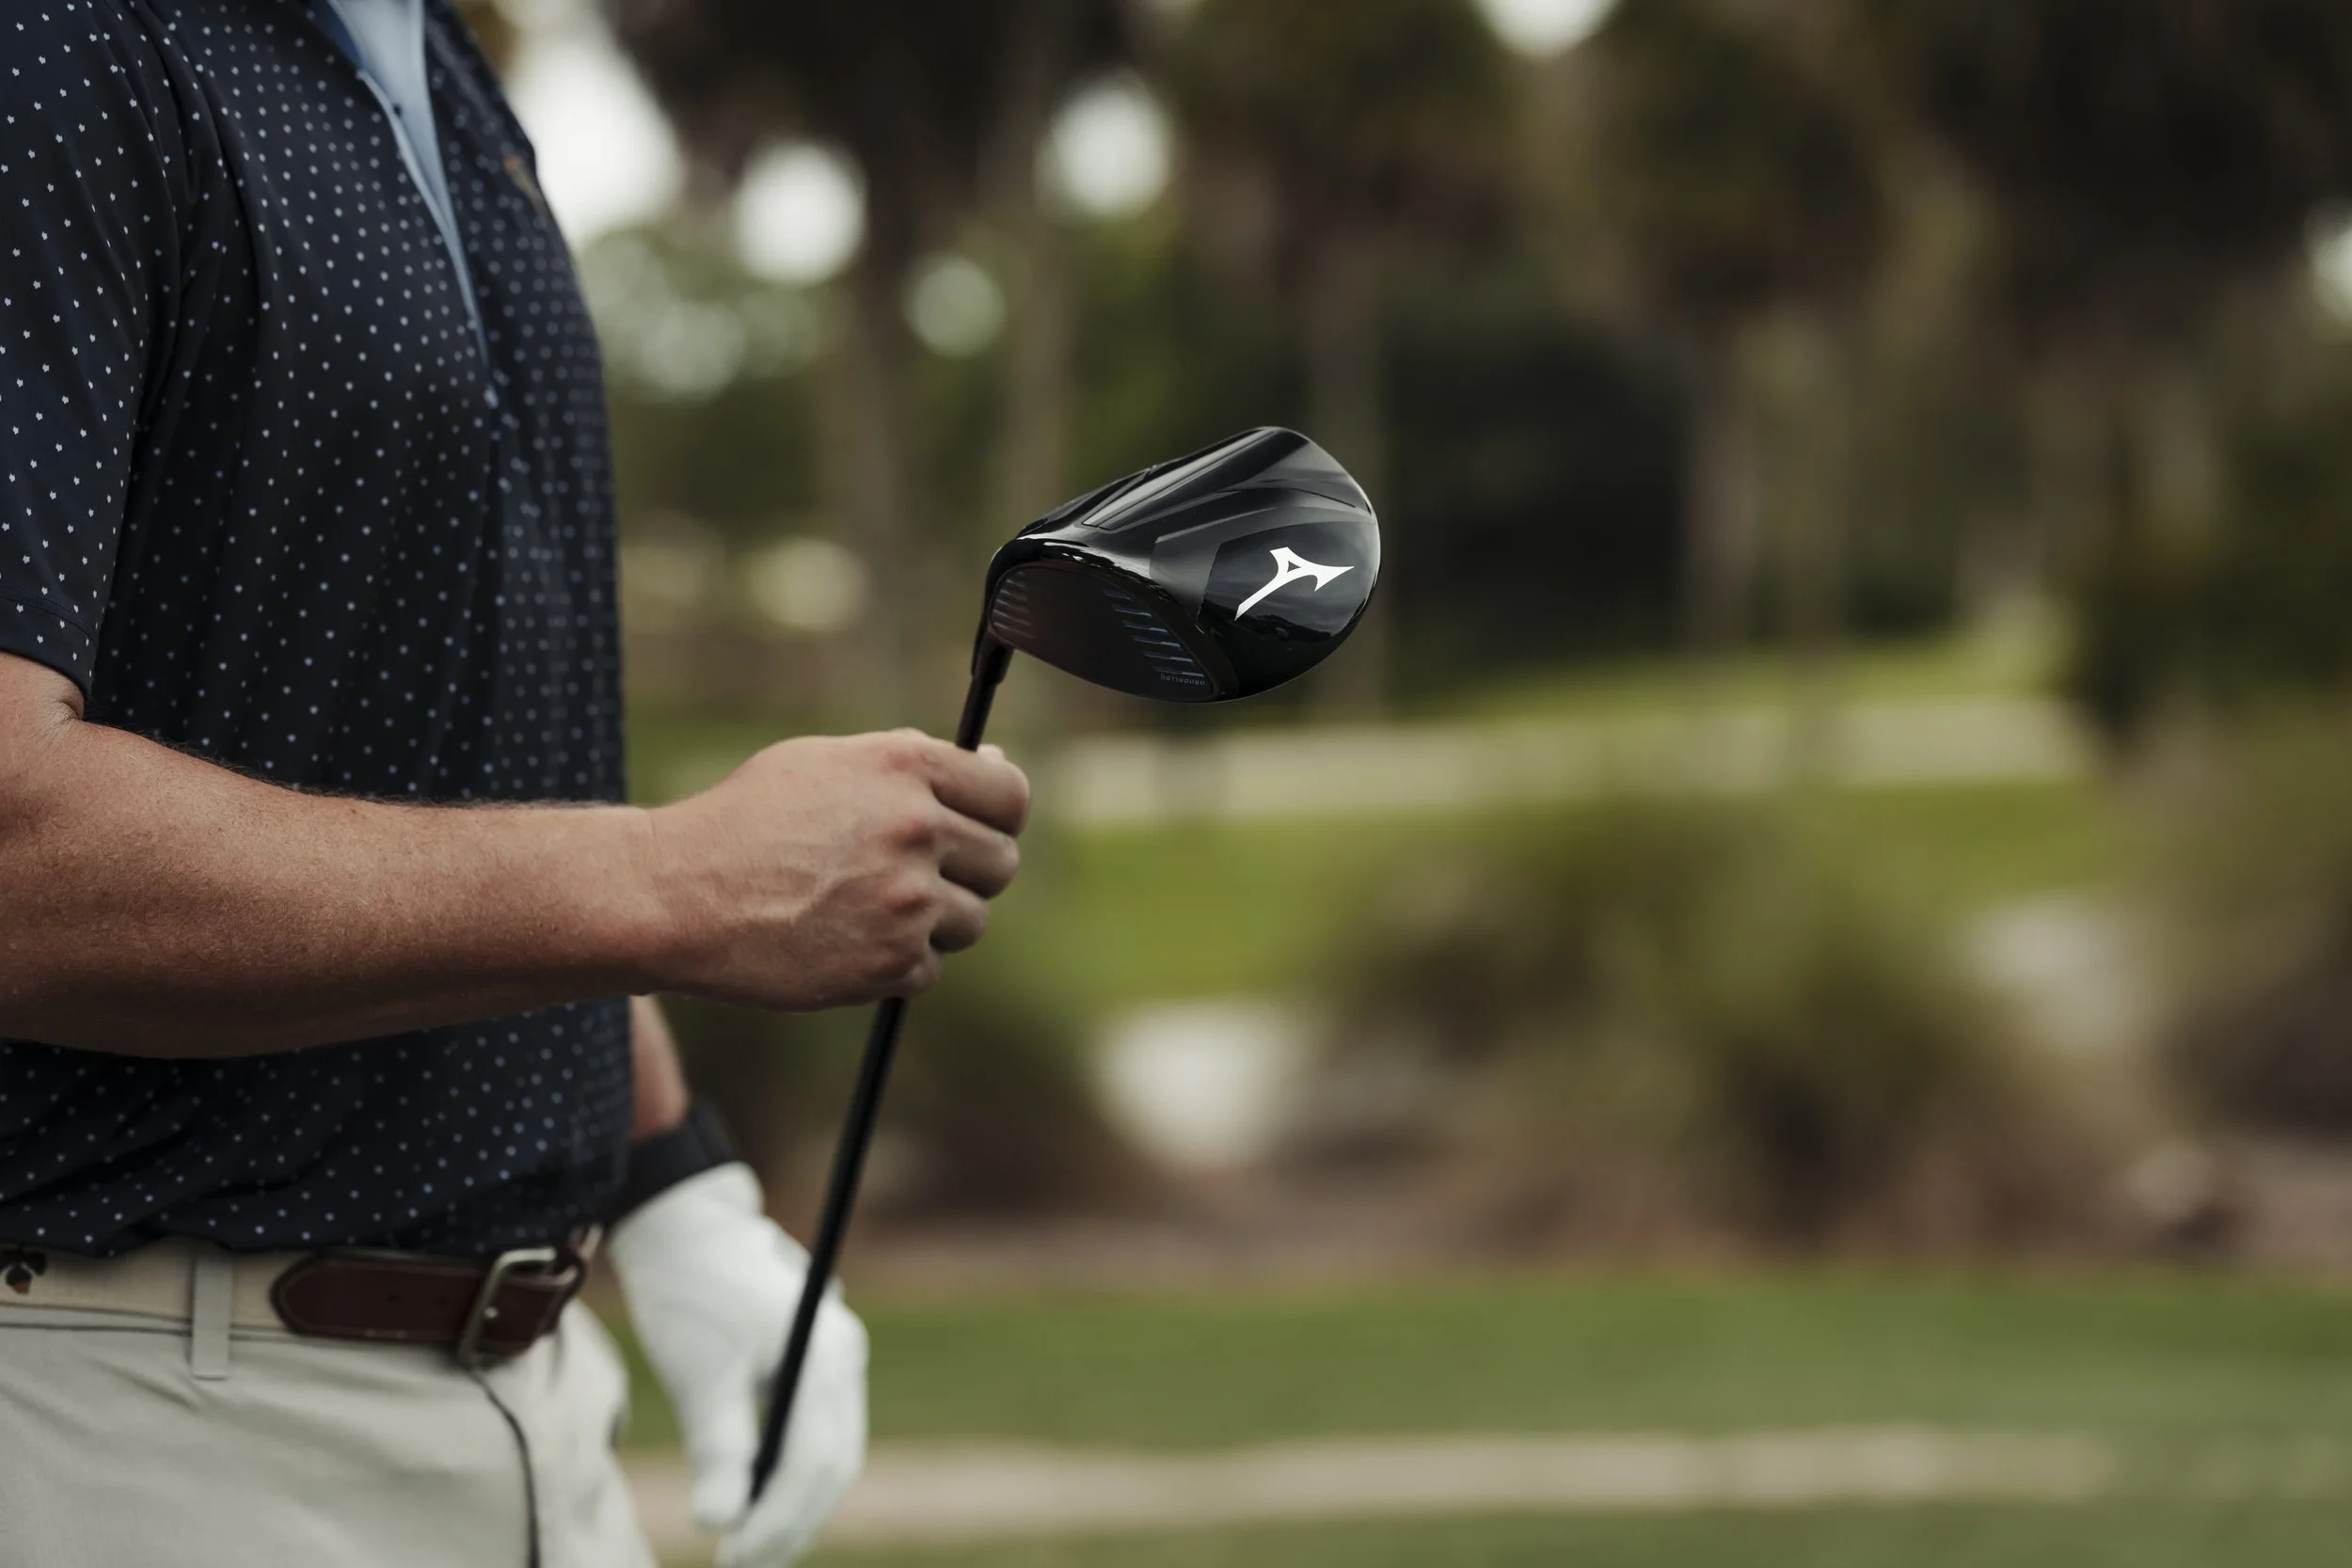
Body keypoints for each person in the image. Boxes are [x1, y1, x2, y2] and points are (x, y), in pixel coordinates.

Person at [0, 2, 1030, 1563]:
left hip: (534, 1402)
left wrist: (677, 1187)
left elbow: (432, 766)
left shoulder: (441, 69)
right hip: (133, 1425)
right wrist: (676, 879)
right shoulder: (58, 47)